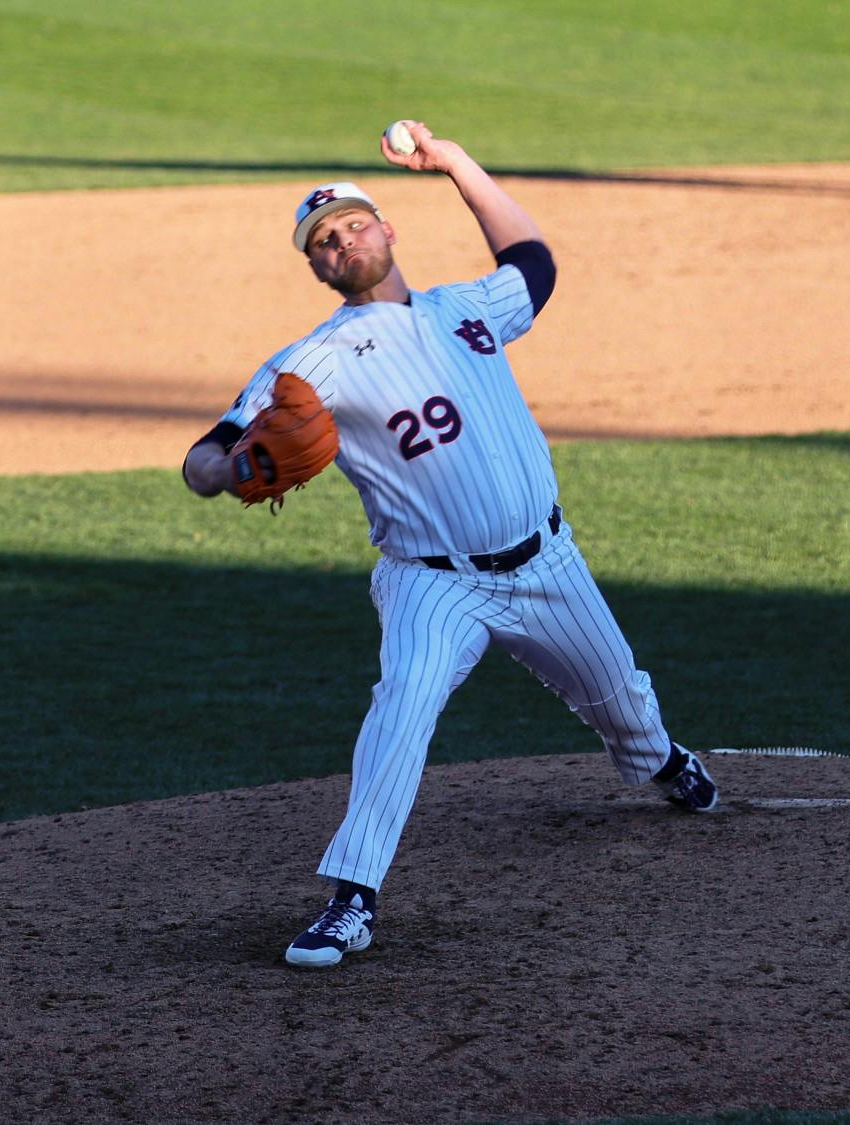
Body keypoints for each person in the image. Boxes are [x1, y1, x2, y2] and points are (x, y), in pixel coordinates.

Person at [181, 121, 718, 970]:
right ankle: (350, 899)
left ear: (388, 230)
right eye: (323, 242)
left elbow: (535, 263)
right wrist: (223, 470)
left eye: (353, 224)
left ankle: (661, 762)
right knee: (402, 705)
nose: (341, 242)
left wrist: (455, 162)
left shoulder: (467, 307)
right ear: (317, 268)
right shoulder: (308, 364)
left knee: (622, 699)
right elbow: (205, 454)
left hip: (549, 565)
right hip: (432, 584)